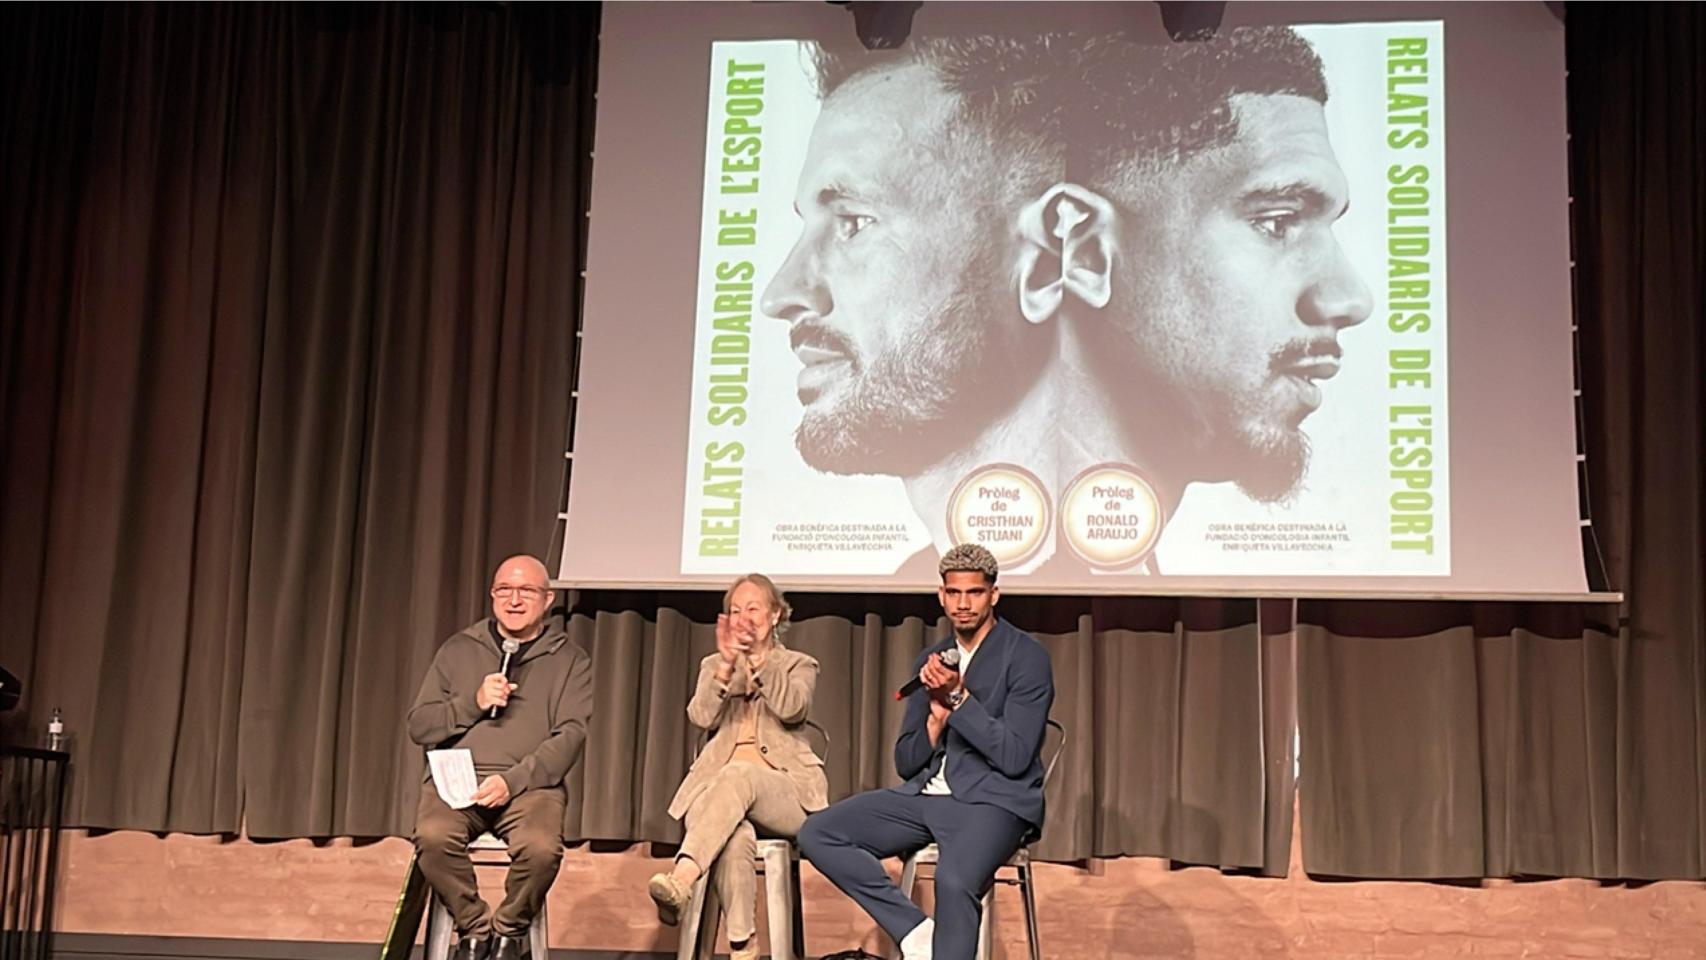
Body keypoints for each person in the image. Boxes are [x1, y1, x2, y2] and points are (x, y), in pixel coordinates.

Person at [798, 543, 1054, 960]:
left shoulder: (1026, 657)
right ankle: (916, 931)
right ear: (941, 595)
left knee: (953, 881)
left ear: (993, 595)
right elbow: (906, 762)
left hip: (995, 801)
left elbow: (1014, 756)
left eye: (974, 593)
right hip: (926, 797)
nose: (963, 604)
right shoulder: (932, 659)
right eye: (954, 593)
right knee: (818, 833)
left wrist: (959, 700)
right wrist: (934, 723)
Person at [407, 555, 593, 960]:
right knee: (434, 838)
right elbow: (420, 726)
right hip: (457, 782)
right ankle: (475, 930)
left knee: (541, 849)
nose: (514, 600)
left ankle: (509, 932)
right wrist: (471, 703)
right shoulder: (459, 649)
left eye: (526, 591)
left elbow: (571, 736)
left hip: (530, 787)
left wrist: (513, 781)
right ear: (492, 595)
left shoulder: (569, 659)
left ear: (548, 599)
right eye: (504, 590)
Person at [648, 574, 828, 960]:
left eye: (753, 609)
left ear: (775, 615)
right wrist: (727, 666)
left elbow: (793, 708)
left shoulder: (799, 664)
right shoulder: (714, 664)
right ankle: (743, 946)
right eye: (735, 610)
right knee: (734, 835)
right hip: (716, 795)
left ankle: (682, 877)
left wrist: (759, 662)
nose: (743, 618)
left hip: (784, 793)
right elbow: (700, 716)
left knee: (739, 774)